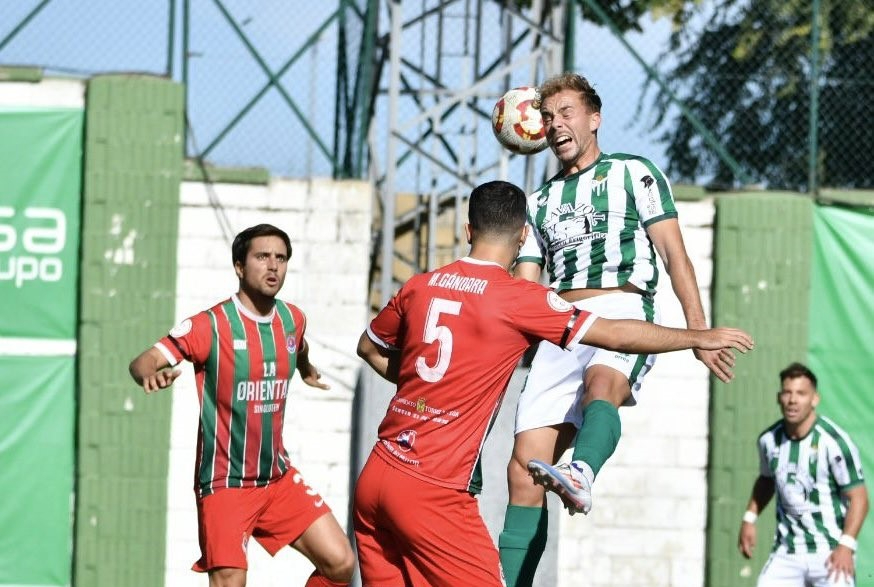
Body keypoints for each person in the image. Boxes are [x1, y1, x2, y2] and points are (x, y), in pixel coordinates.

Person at [354, 180, 754, 587]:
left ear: (468, 231)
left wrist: (418, 387)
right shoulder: (517, 299)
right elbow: (615, 335)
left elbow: (368, 348)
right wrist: (696, 336)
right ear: (524, 234)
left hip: (376, 478)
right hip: (432, 491)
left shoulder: (419, 285)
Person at [498, 72, 738, 586]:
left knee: (600, 386)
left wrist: (697, 333)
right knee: (522, 471)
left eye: (566, 112)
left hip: (623, 308)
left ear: (594, 118)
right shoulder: (538, 203)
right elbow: (525, 288)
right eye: (547, 116)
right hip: (560, 324)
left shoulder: (635, 173)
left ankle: (583, 473)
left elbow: (675, 255)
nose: (555, 123)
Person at [128, 224, 354, 587]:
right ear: (238, 266)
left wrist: (306, 368)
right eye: (262, 257)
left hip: (278, 479)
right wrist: (149, 375)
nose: (273, 266)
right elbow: (142, 361)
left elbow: (299, 345)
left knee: (340, 562)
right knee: (231, 580)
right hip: (226, 484)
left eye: (280, 258)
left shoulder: (291, 319)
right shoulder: (210, 325)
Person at [737, 362, 868, 587]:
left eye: (801, 393)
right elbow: (766, 480)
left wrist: (847, 545)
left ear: (814, 399)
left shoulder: (834, 442)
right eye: (787, 392)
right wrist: (749, 518)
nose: (793, 400)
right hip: (787, 551)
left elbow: (860, 498)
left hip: (831, 551)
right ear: (779, 398)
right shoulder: (769, 440)